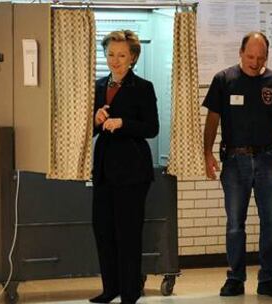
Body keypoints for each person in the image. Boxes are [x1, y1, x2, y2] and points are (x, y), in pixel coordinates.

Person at [203, 31, 272, 298]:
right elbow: (213, 119)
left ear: (267, 56)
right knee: (235, 223)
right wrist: (207, 153)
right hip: (234, 161)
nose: (255, 62)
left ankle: (268, 278)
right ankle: (235, 277)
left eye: (260, 57)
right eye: (250, 56)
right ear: (240, 53)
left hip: (268, 160)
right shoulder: (224, 79)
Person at [90, 30, 159, 304]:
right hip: (104, 170)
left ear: (132, 58)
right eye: (110, 54)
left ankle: (130, 292)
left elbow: (152, 128)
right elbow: (90, 133)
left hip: (132, 171)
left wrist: (123, 123)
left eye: (121, 55)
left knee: (128, 233)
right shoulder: (97, 85)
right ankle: (111, 288)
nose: (115, 60)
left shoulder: (143, 87)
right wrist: (95, 121)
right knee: (103, 230)